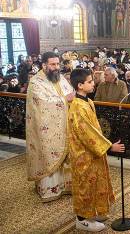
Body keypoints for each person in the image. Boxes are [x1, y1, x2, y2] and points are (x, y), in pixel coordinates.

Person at [68, 69, 125, 232]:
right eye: (90, 81)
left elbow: (95, 129)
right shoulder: (78, 106)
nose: (94, 83)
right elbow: (86, 133)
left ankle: (92, 212)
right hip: (83, 153)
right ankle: (81, 219)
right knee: (85, 184)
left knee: (95, 182)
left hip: (92, 152)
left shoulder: (88, 102)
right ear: (80, 85)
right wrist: (109, 146)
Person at [26, 51, 75, 202]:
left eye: (57, 64)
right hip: (46, 129)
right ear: (44, 65)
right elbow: (42, 104)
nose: (56, 67)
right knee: (49, 154)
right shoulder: (36, 82)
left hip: (65, 125)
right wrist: (64, 100)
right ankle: (50, 189)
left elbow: (71, 92)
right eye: (52, 64)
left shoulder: (60, 78)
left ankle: (67, 186)